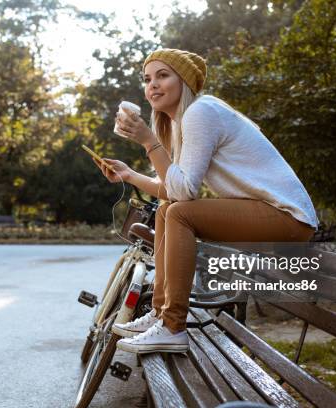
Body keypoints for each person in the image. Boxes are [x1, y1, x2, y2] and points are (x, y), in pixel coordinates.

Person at [92, 48, 319, 354]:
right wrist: (129, 175)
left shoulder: (201, 112)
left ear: (183, 81)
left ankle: (173, 327)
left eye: (163, 75)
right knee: (168, 210)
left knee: (179, 213)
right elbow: (174, 191)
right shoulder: (181, 123)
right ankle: (160, 315)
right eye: (147, 79)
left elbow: (183, 193)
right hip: (267, 215)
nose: (152, 85)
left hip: (289, 219)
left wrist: (149, 141)